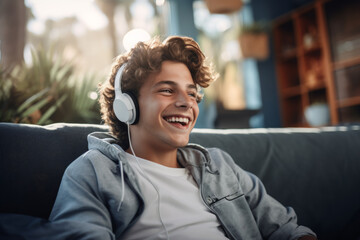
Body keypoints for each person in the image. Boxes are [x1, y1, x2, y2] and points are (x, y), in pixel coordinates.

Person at [49, 36, 317, 240]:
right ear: (127, 106)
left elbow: (287, 229)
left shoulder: (219, 166)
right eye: (167, 90)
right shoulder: (92, 172)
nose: (186, 103)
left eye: (192, 94)